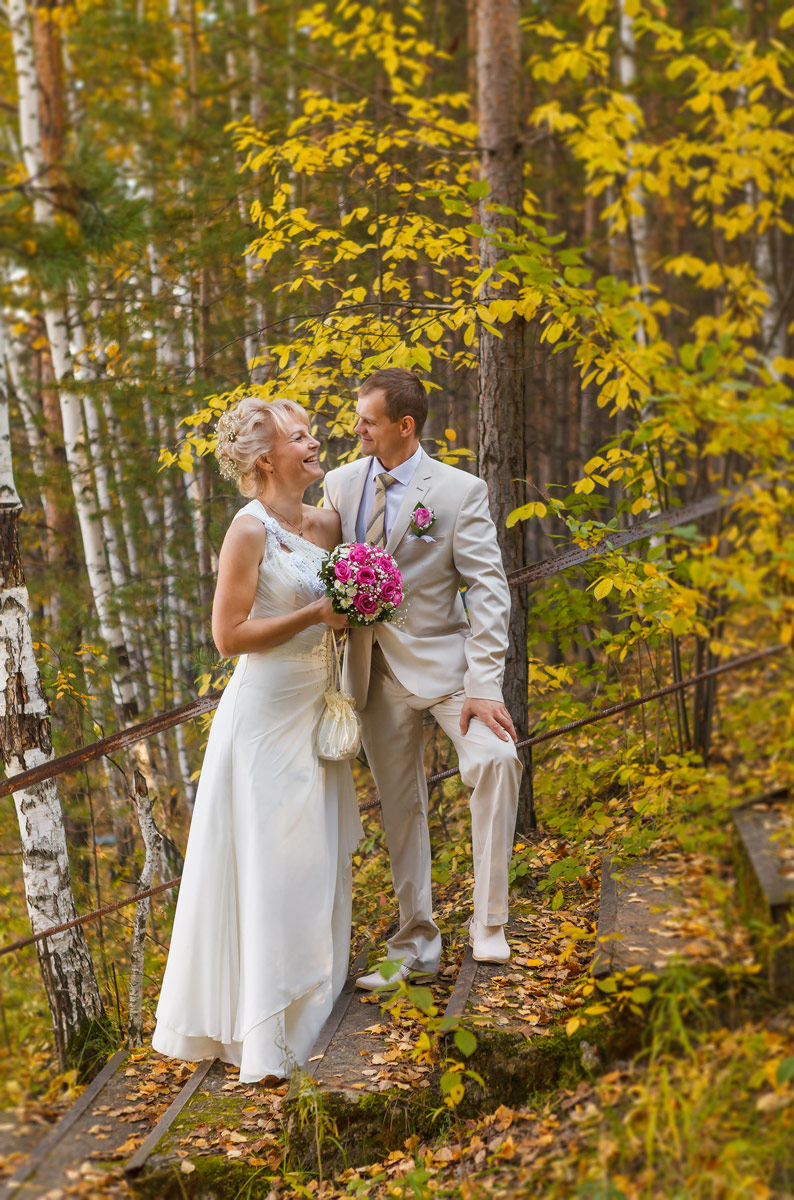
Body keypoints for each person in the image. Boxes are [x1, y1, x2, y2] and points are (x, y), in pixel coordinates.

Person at [152, 397, 362, 1082]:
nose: (314, 443)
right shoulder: (248, 531)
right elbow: (227, 637)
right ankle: (267, 1036)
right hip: (265, 714)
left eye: (312, 434)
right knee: (274, 861)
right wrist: (314, 613)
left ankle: (315, 997)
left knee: (319, 854)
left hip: (316, 704)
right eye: (301, 437)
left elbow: (347, 602)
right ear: (267, 459)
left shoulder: (328, 521)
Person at [323, 368, 521, 986]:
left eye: (368, 422)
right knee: (401, 808)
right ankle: (417, 943)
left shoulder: (459, 491)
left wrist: (486, 685)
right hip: (371, 673)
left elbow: (488, 589)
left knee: (495, 761)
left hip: (449, 670)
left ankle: (489, 923)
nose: (357, 431)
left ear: (403, 427)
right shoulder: (339, 484)